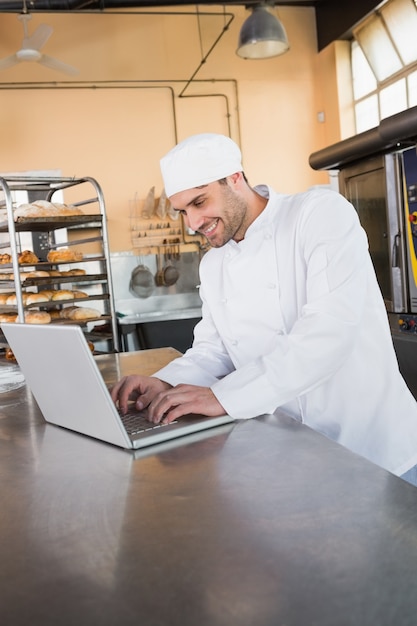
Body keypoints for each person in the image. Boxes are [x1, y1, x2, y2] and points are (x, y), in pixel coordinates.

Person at [111, 132, 417, 485]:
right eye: (183, 211)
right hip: (291, 455)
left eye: (199, 202)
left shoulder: (318, 214)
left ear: (235, 178)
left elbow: (328, 335)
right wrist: (163, 381)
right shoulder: (214, 265)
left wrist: (223, 397)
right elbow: (215, 350)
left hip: (375, 450)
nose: (192, 223)